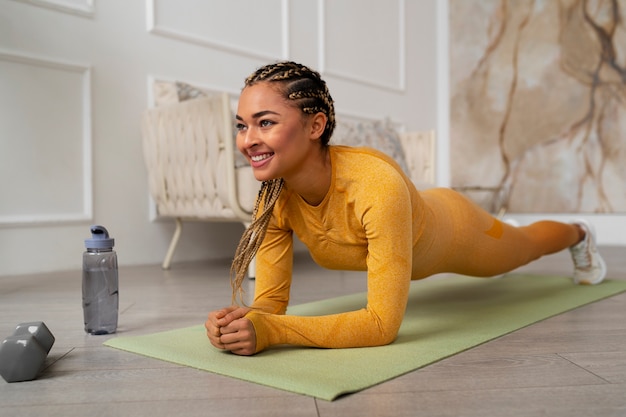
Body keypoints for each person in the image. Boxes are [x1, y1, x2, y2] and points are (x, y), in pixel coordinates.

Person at [205, 61, 607, 356]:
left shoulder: (375, 187)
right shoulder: (272, 198)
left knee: (523, 246)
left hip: (456, 229)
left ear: (315, 126)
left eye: (265, 123)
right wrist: (245, 324)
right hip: (415, 222)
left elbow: (381, 326)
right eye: (242, 125)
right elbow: (270, 306)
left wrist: (274, 332)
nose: (247, 140)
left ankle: (579, 232)